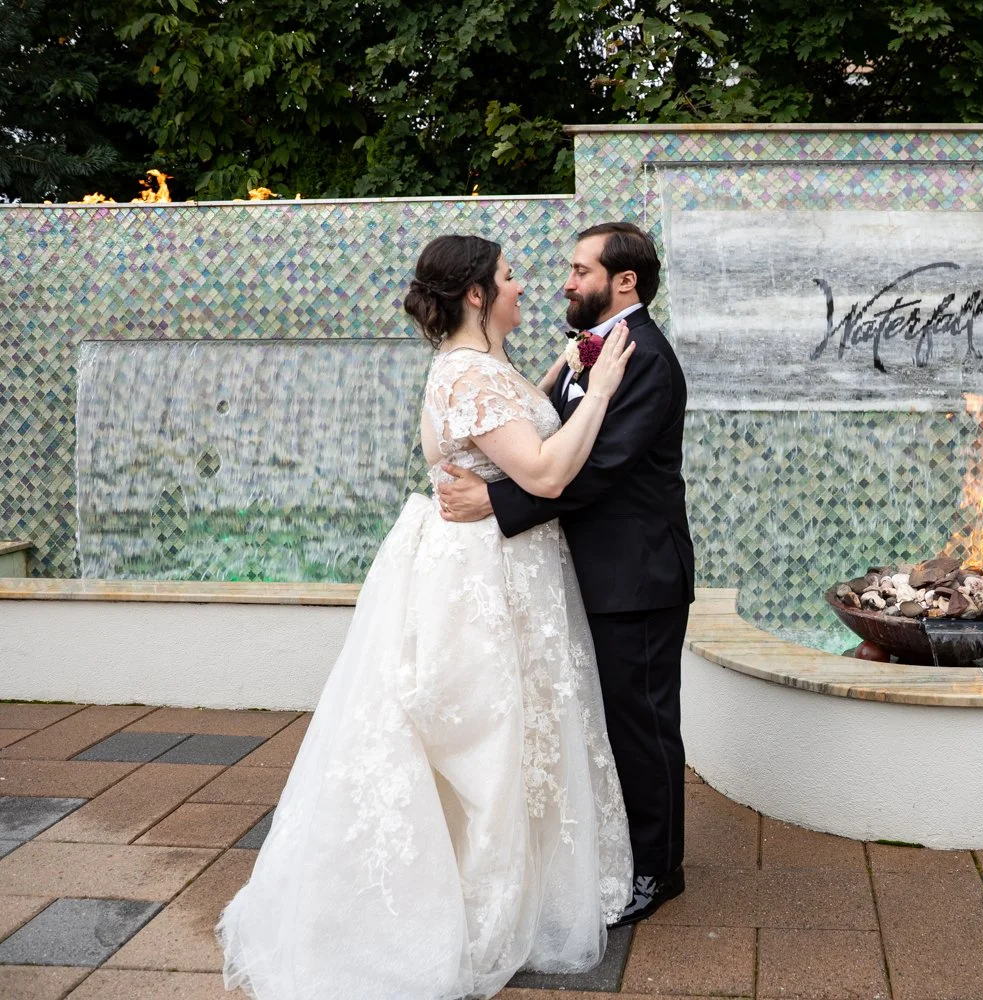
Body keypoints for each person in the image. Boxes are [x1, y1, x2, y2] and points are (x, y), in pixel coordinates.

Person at [217, 234, 635, 1000]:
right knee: (492, 731)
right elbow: (539, 470)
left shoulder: (478, 367)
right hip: (487, 575)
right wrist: (601, 389)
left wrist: (561, 375)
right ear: (476, 294)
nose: (521, 288)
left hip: (486, 563)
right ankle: (472, 896)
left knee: (509, 728)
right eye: (509, 278)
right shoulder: (473, 374)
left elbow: (510, 419)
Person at [437, 221, 694, 925]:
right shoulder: (594, 352)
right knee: (617, 721)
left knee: (642, 723)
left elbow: (601, 468)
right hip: (597, 571)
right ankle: (632, 852)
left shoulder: (645, 357)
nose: (566, 281)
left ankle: (658, 870)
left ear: (624, 282)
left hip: (637, 575)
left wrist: (496, 500)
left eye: (580, 270)